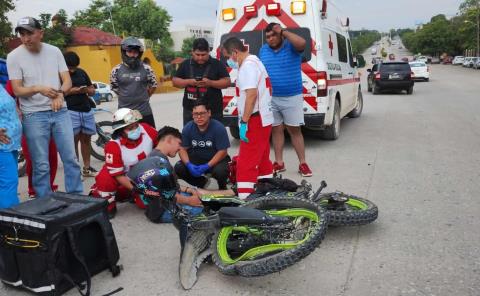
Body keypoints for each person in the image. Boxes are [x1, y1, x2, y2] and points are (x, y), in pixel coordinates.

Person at [7, 16, 83, 198]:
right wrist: (37, 88)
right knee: (41, 164)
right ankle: (45, 201)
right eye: (22, 34)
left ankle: (77, 198)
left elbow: (67, 81)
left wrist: (60, 94)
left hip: (60, 111)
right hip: (33, 115)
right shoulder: (14, 56)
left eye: (30, 33)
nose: (25, 38)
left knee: (71, 159)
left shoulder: (54, 51)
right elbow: (17, 90)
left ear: (40, 33)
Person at [222, 37, 274, 199]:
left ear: (235, 53)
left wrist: (244, 121)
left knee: (246, 163)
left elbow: (251, 95)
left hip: (254, 120)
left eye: (227, 57)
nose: (227, 61)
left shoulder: (247, 67)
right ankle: (267, 191)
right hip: (263, 119)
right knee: (262, 159)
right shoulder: (255, 62)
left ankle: (245, 201)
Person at [259, 22, 312, 177]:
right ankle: (279, 162)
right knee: (276, 130)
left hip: (292, 96)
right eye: (267, 36)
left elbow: (302, 43)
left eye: (273, 35)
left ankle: (303, 163)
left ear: (280, 34)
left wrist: (283, 32)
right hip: (272, 97)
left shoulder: (292, 46)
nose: (270, 39)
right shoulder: (263, 50)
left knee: (295, 130)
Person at [89, 108, 157, 218]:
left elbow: (162, 146)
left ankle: (131, 195)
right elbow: (118, 175)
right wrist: (137, 190)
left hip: (145, 174)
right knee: (105, 177)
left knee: (146, 205)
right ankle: (108, 204)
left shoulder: (146, 129)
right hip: (124, 178)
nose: (135, 129)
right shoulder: (113, 146)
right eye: (130, 128)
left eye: (136, 125)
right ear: (120, 130)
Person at [127, 126, 203, 225]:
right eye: (179, 143)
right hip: (161, 211)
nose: (180, 148)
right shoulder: (159, 163)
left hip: (162, 202)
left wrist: (189, 190)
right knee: (199, 209)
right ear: (169, 140)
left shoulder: (156, 155)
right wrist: (189, 201)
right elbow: (166, 194)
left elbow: (171, 187)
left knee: (196, 197)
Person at [5, 79, 59, 198]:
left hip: (51, 119)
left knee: (52, 156)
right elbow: (7, 96)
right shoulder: (16, 78)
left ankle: (49, 186)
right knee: (34, 158)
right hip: (29, 121)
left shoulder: (47, 73)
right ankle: (34, 190)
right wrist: (17, 112)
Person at [172, 38, 231, 126]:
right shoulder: (185, 64)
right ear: (192, 52)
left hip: (213, 111)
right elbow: (175, 81)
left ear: (209, 51)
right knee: (190, 136)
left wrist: (210, 83)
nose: (200, 57)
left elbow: (227, 82)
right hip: (190, 111)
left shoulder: (217, 64)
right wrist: (189, 82)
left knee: (215, 137)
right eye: (197, 54)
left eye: (203, 55)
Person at [174, 100, 231, 190]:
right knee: (179, 167)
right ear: (192, 115)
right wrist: (188, 164)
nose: (199, 117)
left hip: (216, 160)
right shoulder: (188, 128)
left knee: (221, 171)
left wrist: (207, 165)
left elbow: (223, 151)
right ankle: (201, 182)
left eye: (202, 113)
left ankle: (222, 187)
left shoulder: (219, 128)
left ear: (209, 113)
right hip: (197, 159)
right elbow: (182, 149)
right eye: (195, 114)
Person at [110, 37, 158, 128]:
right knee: (125, 139)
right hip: (124, 112)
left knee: (151, 137)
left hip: (144, 111)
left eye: (135, 52)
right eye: (130, 52)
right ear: (124, 52)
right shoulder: (116, 70)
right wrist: (127, 96)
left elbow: (153, 84)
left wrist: (145, 96)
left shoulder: (147, 68)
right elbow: (115, 87)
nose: (132, 55)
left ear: (139, 54)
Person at [63, 51, 98, 177]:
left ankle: (87, 168)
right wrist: (75, 91)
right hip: (70, 111)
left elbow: (92, 89)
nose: (72, 70)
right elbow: (59, 93)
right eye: (69, 67)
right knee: (73, 141)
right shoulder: (60, 74)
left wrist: (89, 90)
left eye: (74, 67)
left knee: (86, 139)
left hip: (86, 109)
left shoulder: (82, 72)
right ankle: (75, 169)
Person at [0, 85, 22, 208]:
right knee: (8, 183)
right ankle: (9, 221)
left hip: (10, 145)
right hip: (2, 147)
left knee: (8, 183)